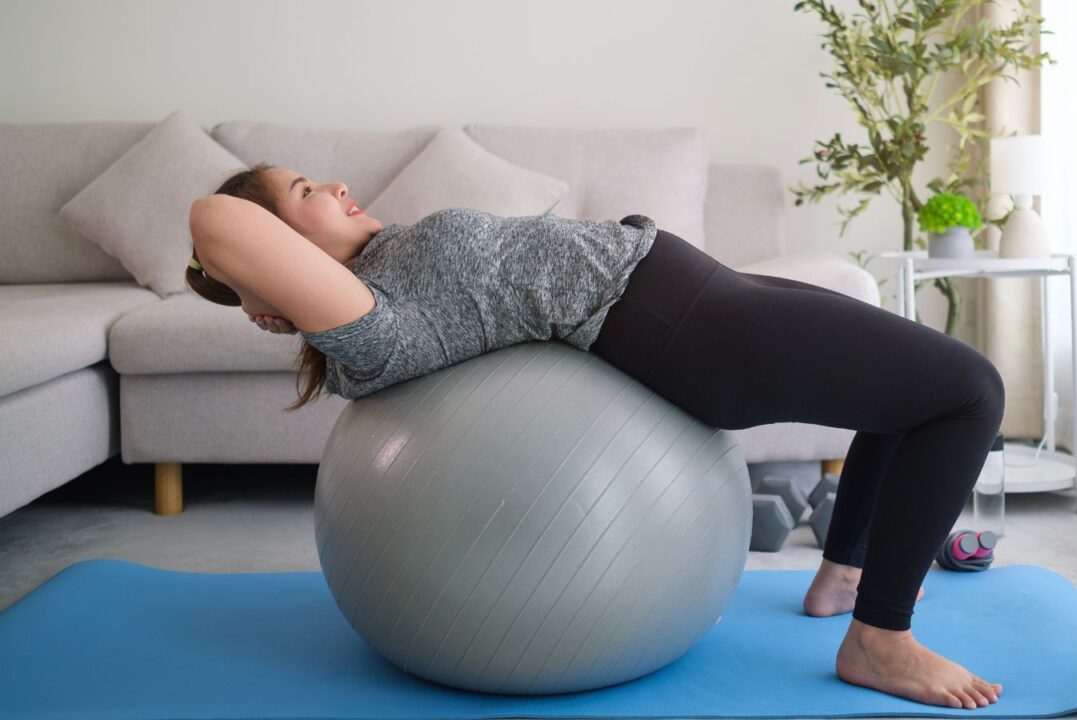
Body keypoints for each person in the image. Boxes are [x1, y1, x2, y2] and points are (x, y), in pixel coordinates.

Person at [186, 163, 1004, 711]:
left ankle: (846, 578)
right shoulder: (370, 326)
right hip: (691, 329)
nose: (333, 185)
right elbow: (214, 217)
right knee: (970, 392)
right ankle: (880, 639)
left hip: (692, 288)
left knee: (909, 387)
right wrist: (259, 288)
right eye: (303, 193)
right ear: (277, 262)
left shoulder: (386, 257)